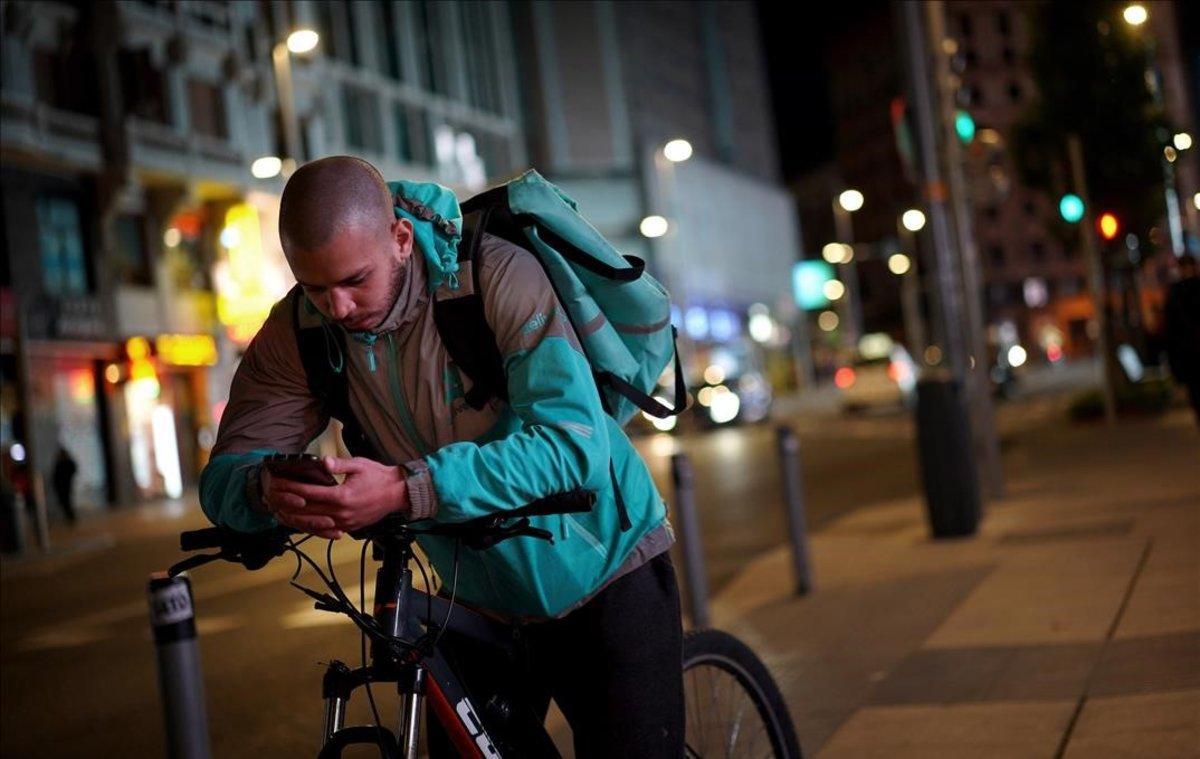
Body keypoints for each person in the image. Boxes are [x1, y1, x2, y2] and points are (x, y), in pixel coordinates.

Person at [199, 156, 683, 755]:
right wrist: (264, 491)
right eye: (316, 286)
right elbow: (227, 470)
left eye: (354, 280)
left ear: (401, 239)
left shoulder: (496, 275)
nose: (338, 307)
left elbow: (570, 446)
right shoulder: (299, 330)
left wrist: (407, 489)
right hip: (471, 596)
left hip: (604, 565)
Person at [1164, 253, 1200, 426]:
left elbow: (1171, 334)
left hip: (1189, 358)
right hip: (1190, 358)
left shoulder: (1175, 294)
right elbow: (1171, 334)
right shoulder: (1175, 294)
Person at [51, 445, 78, 525]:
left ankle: (70, 517)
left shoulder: (66, 462)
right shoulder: (60, 463)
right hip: (61, 486)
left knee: (66, 502)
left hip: (65, 485)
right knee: (64, 502)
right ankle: (69, 516)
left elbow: (73, 470)